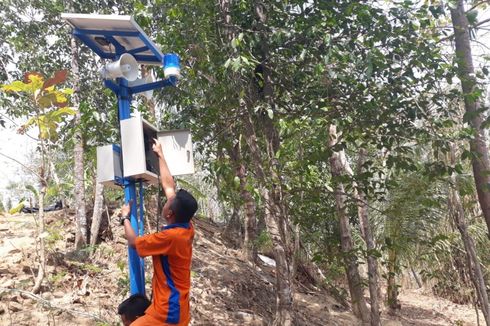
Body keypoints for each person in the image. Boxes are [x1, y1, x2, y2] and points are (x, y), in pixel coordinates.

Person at [119, 138, 198, 325]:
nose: (167, 199)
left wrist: (125, 218)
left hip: (168, 313)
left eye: (169, 201)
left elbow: (134, 243)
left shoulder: (170, 237)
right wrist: (160, 155)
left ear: (170, 212)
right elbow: (169, 187)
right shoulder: (186, 226)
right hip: (178, 308)